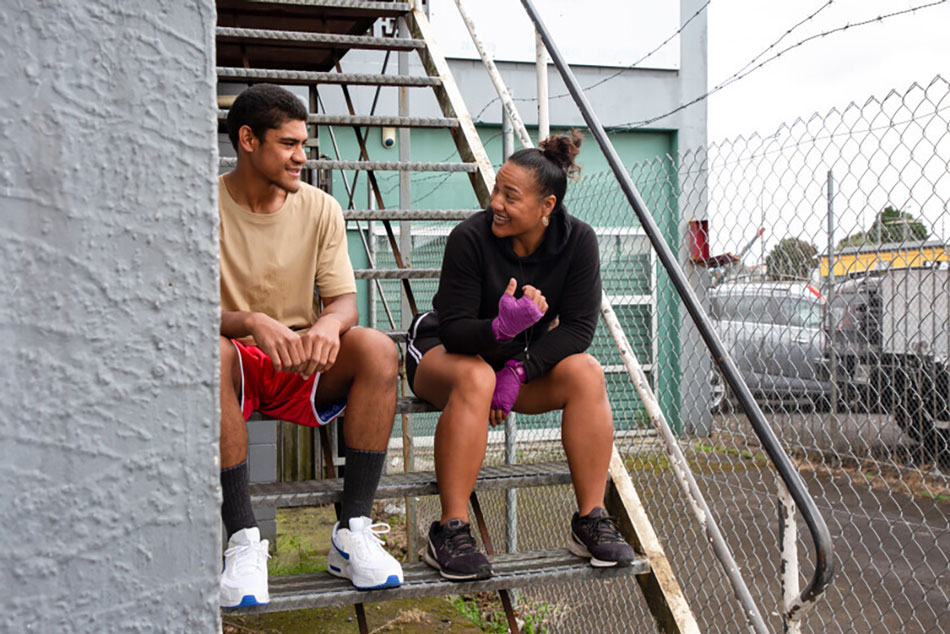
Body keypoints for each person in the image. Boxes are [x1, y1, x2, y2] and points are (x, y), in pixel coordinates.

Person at [406, 131, 635, 581]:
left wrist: (520, 367)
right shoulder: (469, 238)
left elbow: (578, 329)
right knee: (475, 377)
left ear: (547, 206)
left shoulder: (579, 241)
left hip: (512, 362)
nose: (497, 203)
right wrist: (499, 328)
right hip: (445, 351)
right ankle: (449, 530)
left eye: (510, 196)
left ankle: (590, 519)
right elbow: (452, 331)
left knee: (587, 373)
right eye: (496, 190)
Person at [218, 84, 403, 608]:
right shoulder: (203, 205)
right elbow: (177, 312)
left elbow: (345, 301)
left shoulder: (320, 206)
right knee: (208, 355)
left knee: (375, 348)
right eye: (289, 143)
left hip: (302, 363)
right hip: (231, 364)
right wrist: (250, 321)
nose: (303, 156)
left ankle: (353, 532)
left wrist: (327, 327)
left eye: (305, 142)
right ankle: (244, 542)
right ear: (248, 140)